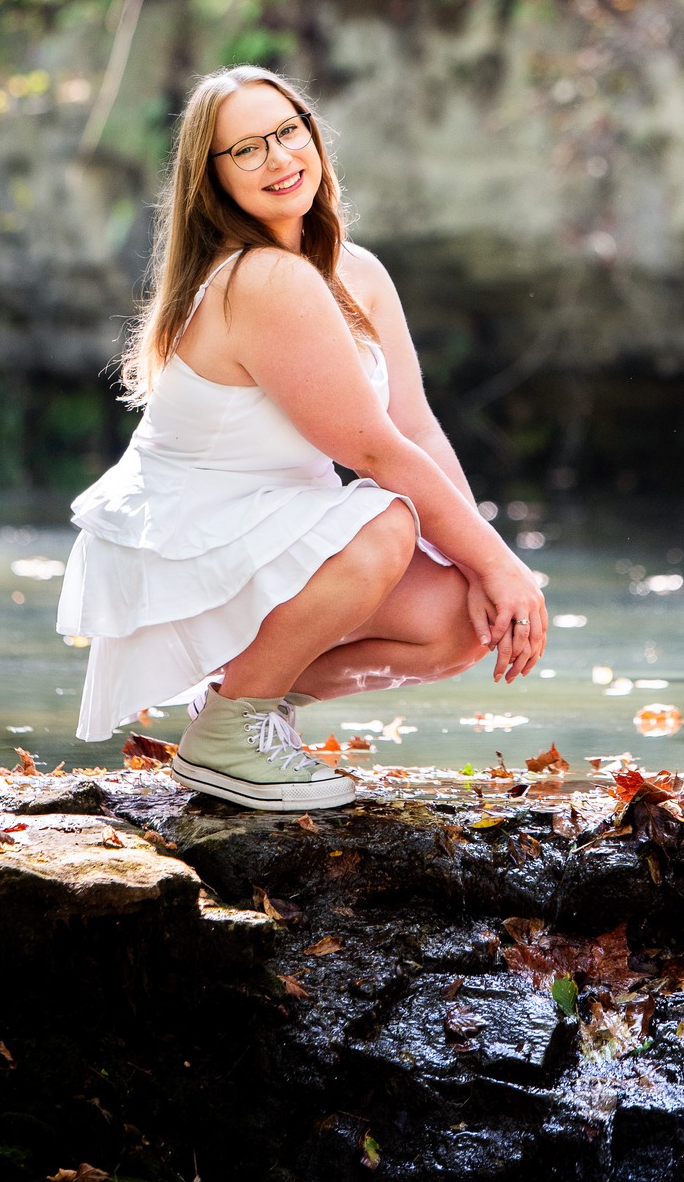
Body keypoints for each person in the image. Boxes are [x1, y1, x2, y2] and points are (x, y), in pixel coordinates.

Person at [57, 64, 547, 811]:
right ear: (212, 179)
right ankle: (230, 730)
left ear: (313, 136)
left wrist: (479, 568)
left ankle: (246, 703)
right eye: (247, 150)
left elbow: (415, 425)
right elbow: (375, 452)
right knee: (385, 521)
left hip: (275, 530)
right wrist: (504, 562)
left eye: (288, 132)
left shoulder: (358, 272)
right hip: (190, 535)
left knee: (458, 621)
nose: (280, 160)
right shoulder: (260, 277)